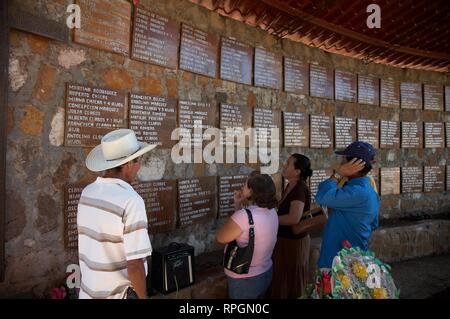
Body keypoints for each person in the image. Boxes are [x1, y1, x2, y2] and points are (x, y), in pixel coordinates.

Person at [77, 129, 157, 299]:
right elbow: (135, 265)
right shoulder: (131, 201)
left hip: (88, 293)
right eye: (139, 160)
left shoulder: (87, 192)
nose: (139, 166)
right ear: (127, 164)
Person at [316, 141, 380, 269]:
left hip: (340, 263)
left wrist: (338, 174)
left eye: (344, 161)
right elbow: (373, 224)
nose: (341, 165)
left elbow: (322, 196)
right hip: (347, 260)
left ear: (355, 166)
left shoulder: (358, 193)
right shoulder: (367, 191)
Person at [216, 172, 279, 299]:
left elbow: (221, 237)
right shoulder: (272, 211)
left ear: (251, 191)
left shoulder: (245, 216)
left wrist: (239, 209)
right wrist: (238, 205)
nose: (242, 187)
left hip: (245, 279)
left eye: (245, 185)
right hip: (265, 272)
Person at [268, 154, 313, 298]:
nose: (284, 166)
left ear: (297, 171)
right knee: (282, 279)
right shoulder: (290, 185)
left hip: (294, 244)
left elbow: (294, 218)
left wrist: (269, 219)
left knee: (292, 281)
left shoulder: (299, 189)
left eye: (288, 164)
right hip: (285, 241)